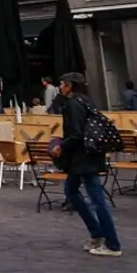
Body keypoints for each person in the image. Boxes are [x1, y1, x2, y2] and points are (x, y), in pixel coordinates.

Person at [51, 72, 121, 257]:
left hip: (83, 158)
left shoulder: (74, 104)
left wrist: (61, 146)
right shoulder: (84, 100)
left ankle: (112, 244)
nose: (60, 87)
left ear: (70, 86)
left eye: (62, 84)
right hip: (85, 156)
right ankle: (97, 233)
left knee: (97, 200)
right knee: (71, 192)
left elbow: (77, 133)